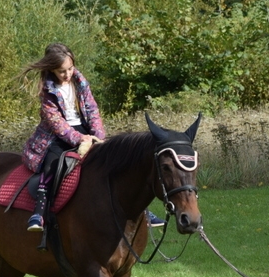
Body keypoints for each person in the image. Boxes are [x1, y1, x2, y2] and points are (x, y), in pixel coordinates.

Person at [20, 43, 165, 232]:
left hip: (85, 132)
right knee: (52, 166)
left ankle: (143, 212)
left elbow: (92, 110)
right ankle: (38, 213)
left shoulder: (80, 82)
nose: (67, 74)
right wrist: (79, 139)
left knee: (118, 164)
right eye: (61, 71)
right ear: (52, 70)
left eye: (70, 68)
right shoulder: (47, 92)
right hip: (55, 137)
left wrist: (98, 137)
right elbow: (56, 123)